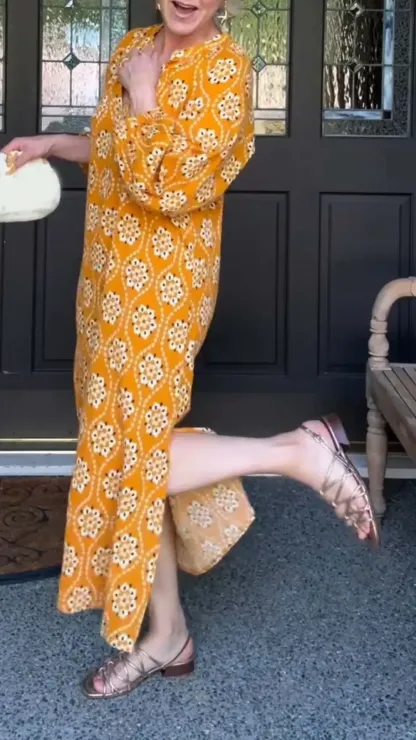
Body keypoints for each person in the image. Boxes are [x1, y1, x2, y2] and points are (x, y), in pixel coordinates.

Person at [3, 0, 380, 700]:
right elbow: (117, 149)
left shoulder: (228, 72)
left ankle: (292, 453)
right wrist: (53, 144)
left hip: (166, 284)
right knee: (120, 440)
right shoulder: (133, 47)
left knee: (135, 451)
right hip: (106, 277)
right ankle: (169, 632)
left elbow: (171, 187)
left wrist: (146, 94)